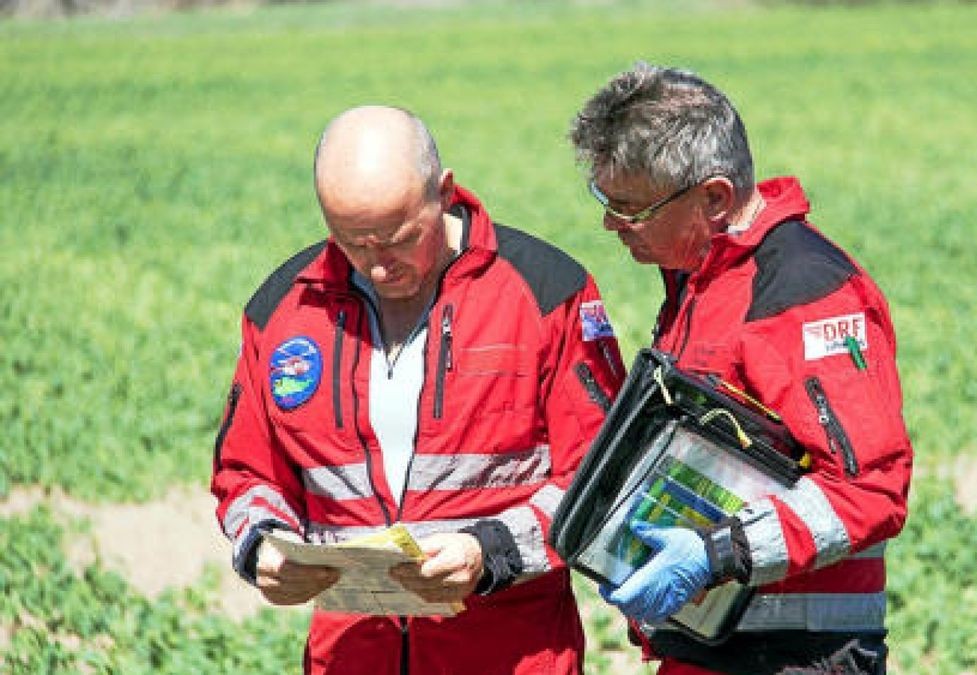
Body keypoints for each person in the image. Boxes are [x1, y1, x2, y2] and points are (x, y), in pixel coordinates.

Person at [210, 105, 625, 675]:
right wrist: (264, 545)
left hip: (510, 654)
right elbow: (248, 474)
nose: (379, 267)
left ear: (444, 192)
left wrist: (490, 552)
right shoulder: (284, 310)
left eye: (401, 238)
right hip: (351, 655)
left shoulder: (547, 293)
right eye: (354, 243)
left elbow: (604, 479)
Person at [567, 63, 914, 675]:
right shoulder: (699, 280)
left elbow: (870, 490)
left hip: (798, 658)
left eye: (631, 209)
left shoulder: (803, 293)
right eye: (606, 201)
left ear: (715, 198)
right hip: (712, 648)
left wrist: (715, 554)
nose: (610, 226)